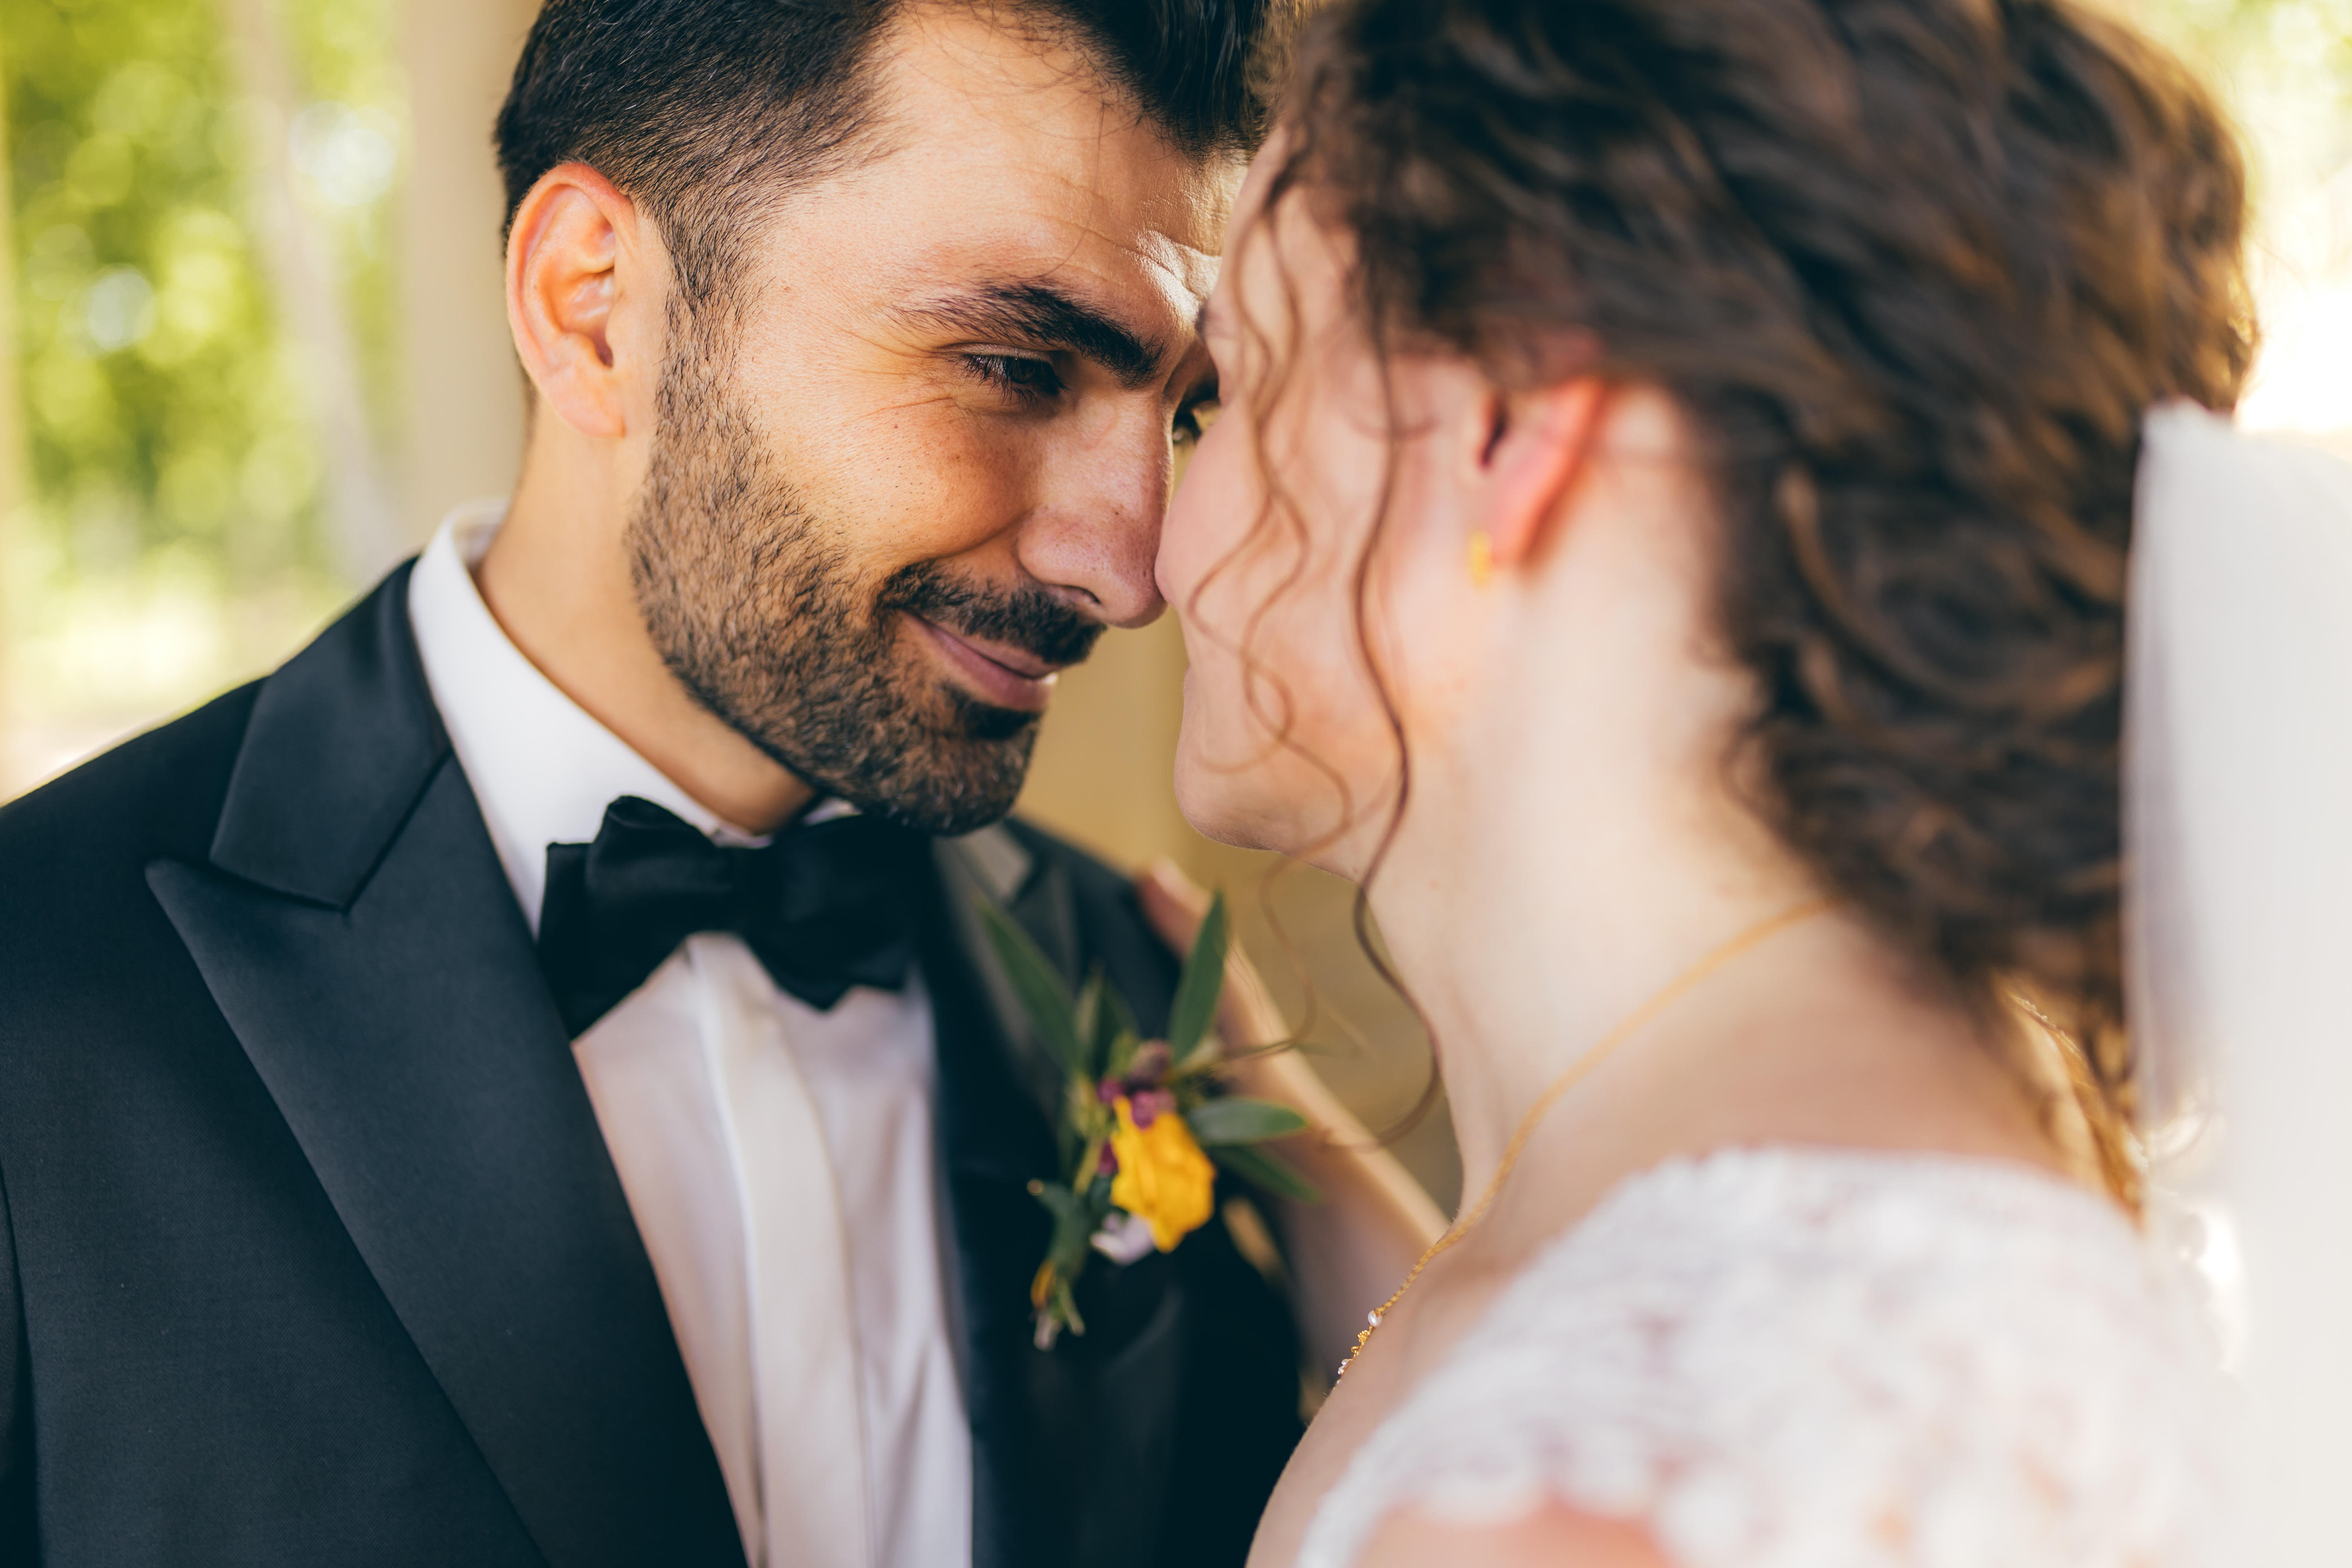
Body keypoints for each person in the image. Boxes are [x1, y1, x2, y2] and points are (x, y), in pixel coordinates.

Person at [0, 2, 1441, 1564]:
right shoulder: (43, 991)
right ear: (594, 306)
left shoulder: (1131, 991)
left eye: (1186, 408)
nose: (1131, 567)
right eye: (1019, 365)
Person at [1157, 0, 2256, 1562]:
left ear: (1506, 426)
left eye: (1235, 388)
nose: (1152, 548)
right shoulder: (1930, 1182)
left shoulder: (1583, 1505)